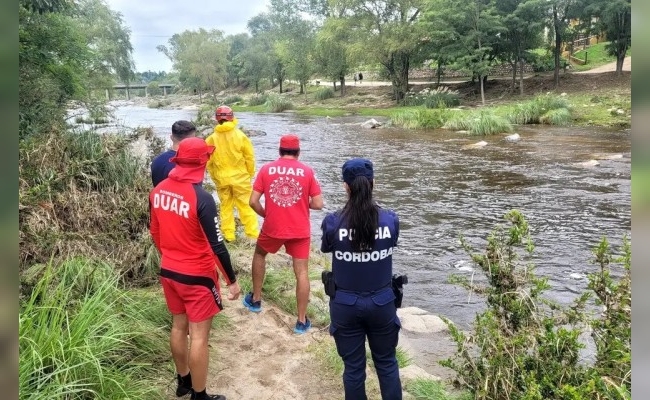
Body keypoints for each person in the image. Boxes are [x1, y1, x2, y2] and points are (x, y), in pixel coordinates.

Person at [149, 137, 242, 400]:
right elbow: (217, 245)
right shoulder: (201, 197)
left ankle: (183, 382)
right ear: (203, 162)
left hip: (169, 271)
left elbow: (155, 231)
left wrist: (169, 256)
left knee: (179, 326)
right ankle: (199, 396)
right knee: (199, 336)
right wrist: (231, 281)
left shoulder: (157, 191)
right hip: (198, 276)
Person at [320, 158, 402, 400]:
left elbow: (326, 247)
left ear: (346, 187)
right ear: (373, 183)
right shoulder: (390, 220)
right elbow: (391, 241)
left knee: (354, 370)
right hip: (382, 303)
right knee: (387, 364)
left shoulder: (333, 222)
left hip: (345, 305)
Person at [243, 134, 324, 334]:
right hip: (299, 230)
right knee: (302, 272)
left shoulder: (266, 169)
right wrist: (300, 202)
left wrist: (267, 213)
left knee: (260, 254)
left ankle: (256, 300)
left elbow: (253, 201)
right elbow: (318, 204)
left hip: (273, 227)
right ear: (298, 152)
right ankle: (301, 320)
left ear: (279, 151)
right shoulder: (307, 171)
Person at [205, 105, 259, 242]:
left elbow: (207, 162)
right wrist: (250, 174)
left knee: (225, 206)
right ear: (232, 117)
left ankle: (229, 235)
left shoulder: (211, 139)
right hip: (241, 179)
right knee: (246, 206)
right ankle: (252, 235)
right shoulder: (241, 136)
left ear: (217, 120)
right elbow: (249, 158)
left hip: (221, 179)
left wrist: (214, 177)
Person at [151, 120, 197, 187]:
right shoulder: (192, 164)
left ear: (171, 137)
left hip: (159, 196)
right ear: (192, 140)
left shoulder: (156, 161)